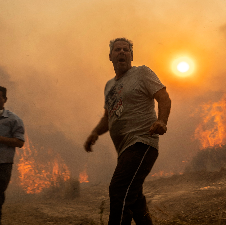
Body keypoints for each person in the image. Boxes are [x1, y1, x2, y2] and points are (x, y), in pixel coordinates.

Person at [84, 38, 171, 225]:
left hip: (142, 142)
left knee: (119, 189)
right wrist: (95, 133)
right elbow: (108, 118)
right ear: (110, 56)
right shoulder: (109, 86)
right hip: (124, 150)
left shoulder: (142, 73)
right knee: (135, 199)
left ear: (132, 55)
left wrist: (162, 120)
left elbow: (163, 97)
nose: (122, 52)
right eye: (117, 50)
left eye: (126, 49)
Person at [0, 86, 25, 225]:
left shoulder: (13, 120)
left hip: (2, 165)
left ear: (5, 100)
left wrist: (0, 138)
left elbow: (20, 142)